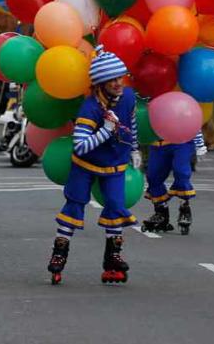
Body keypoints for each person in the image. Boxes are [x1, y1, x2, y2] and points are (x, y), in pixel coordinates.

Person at [48, 47, 137, 286]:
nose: (118, 83)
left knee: (116, 207)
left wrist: (135, 149)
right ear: (100, 83)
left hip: (115, 163)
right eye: (112, 80)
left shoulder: (128, 97)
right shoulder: (90, 108)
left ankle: (113, 259)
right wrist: (105, 131)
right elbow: (81, 146)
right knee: (74, 205)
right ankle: (59, 254)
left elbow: (132, 122)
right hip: (85, 164)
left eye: (120, 77)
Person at [142, 132, 206, 234]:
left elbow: (192, 118)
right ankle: (161, 211)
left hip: (181, 140)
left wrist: (199, 144)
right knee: (153, 176)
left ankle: (184, 207)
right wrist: (133, 147)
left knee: (181, 172)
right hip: (158, 143)